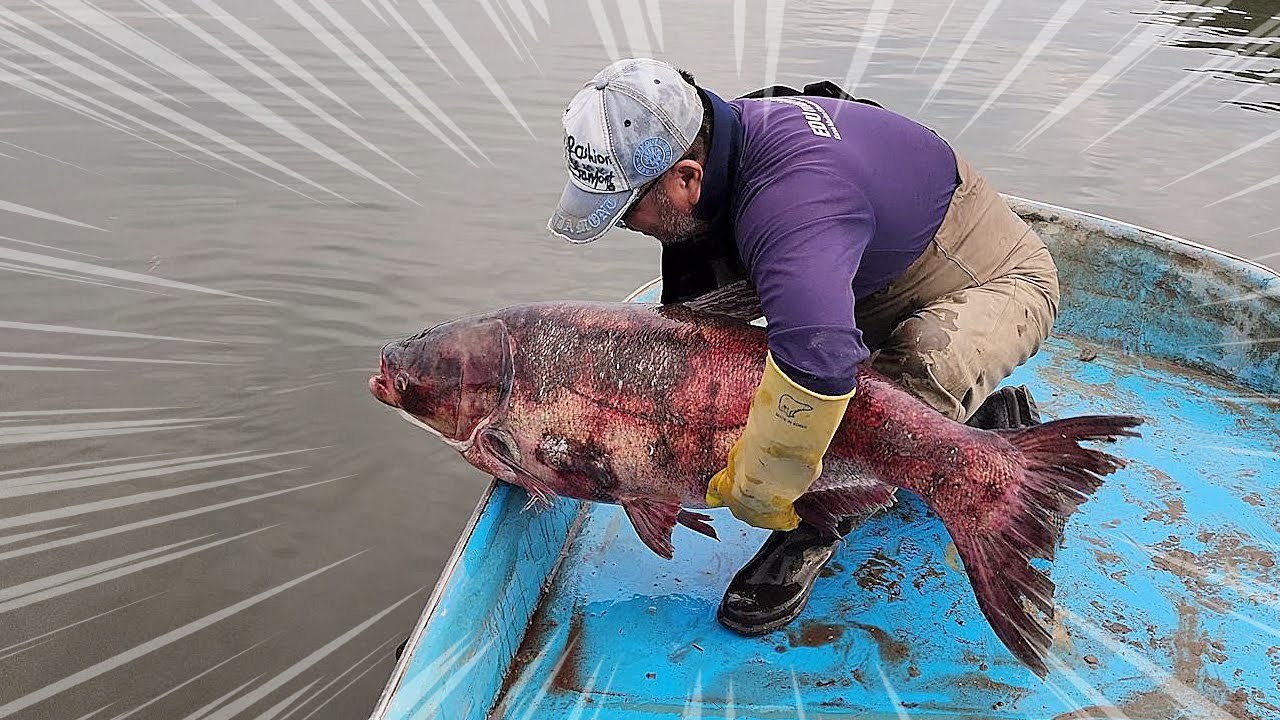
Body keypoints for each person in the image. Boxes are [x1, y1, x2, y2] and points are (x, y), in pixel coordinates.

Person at [546, 58, 1059, 636]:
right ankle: (975, 414)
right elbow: (688, 336)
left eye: (627, 210)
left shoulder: (790, 205)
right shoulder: (714, 148)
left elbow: (821, 371)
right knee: (756, 357)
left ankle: (813, 526)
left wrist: (764, 488)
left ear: (686, 176)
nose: (627, 225)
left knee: (884, 392)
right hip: (862, 261)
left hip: (985, 275)